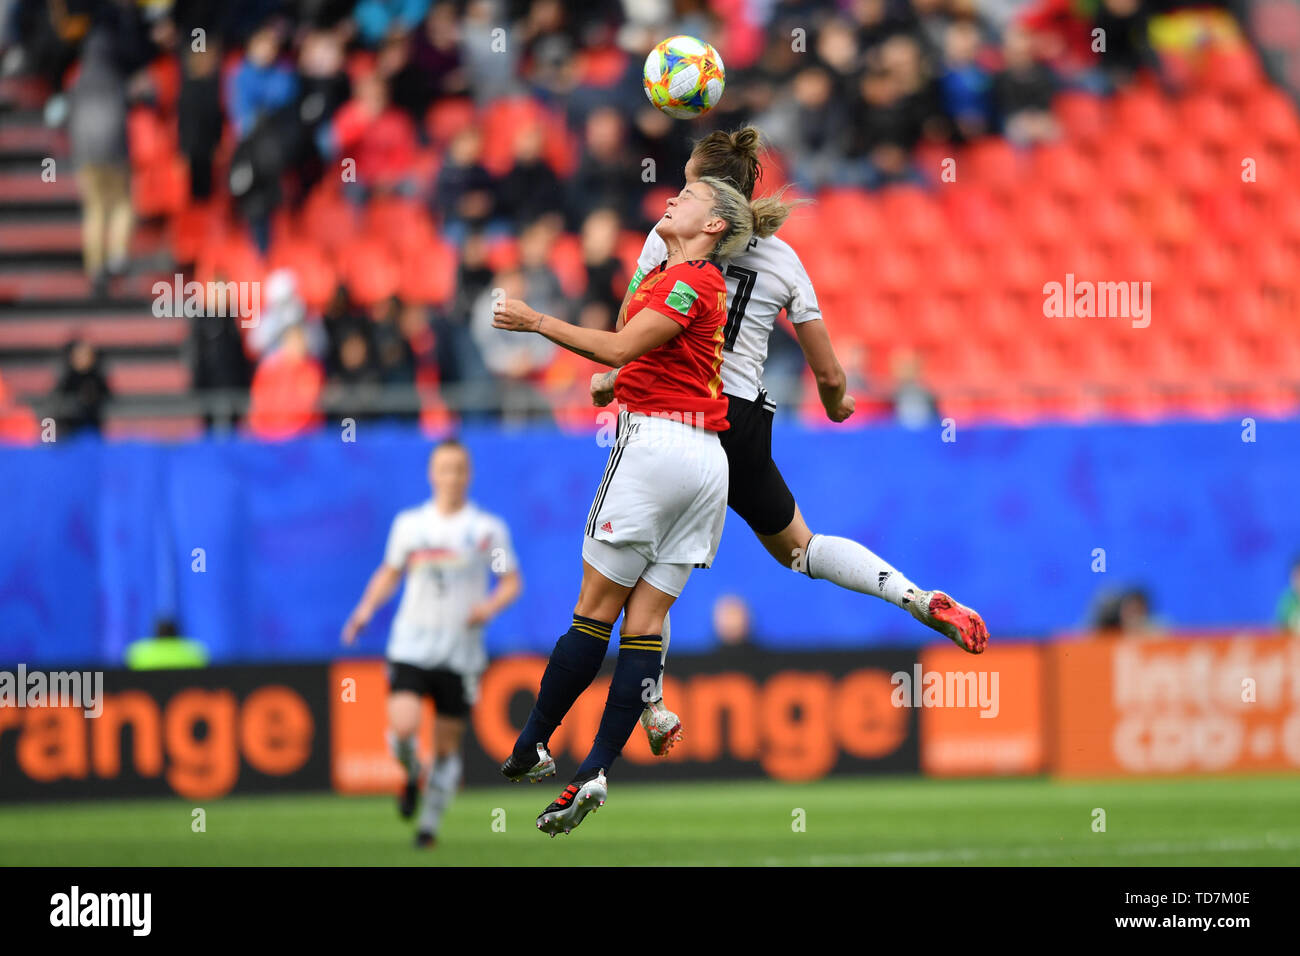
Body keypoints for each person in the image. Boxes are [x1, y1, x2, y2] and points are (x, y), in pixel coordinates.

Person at [591, 127, 990, 757]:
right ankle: (912, 596)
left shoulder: (667, 241)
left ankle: (655, 702)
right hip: (746, 420)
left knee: (642, 567)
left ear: (711, 192)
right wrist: (838, 404)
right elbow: (828, 372)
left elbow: (629, 329)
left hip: (678, 416)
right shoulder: (782, 258)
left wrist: (615, 371)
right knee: (801, 548)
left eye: (692, 181)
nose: (682, 193)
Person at [490, 176, 790, 835]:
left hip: (655, 444)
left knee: (594, 611)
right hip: (706, 460)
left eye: (689, 197)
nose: (672, 200)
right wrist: (612, 379)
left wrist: (535, 321)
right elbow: (649, 357)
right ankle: (594, 769)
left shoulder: (694, 278)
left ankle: (534, 743)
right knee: (645, 621)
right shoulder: (672, 277)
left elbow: (626, 344)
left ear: (714, 226)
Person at [342, 440, 521, 848]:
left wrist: (488, 607)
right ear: (432, 474)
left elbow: (510, 580)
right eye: (445, 468)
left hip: (460, 652)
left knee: (445, 748)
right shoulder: (411, 525)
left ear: (468, 475)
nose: (452, 476)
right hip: (411, 643)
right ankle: (409, 774)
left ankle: (428, 829)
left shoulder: (487, 530)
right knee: (403, 727)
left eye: (459, 468)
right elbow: (390, 572)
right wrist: (365, 609)